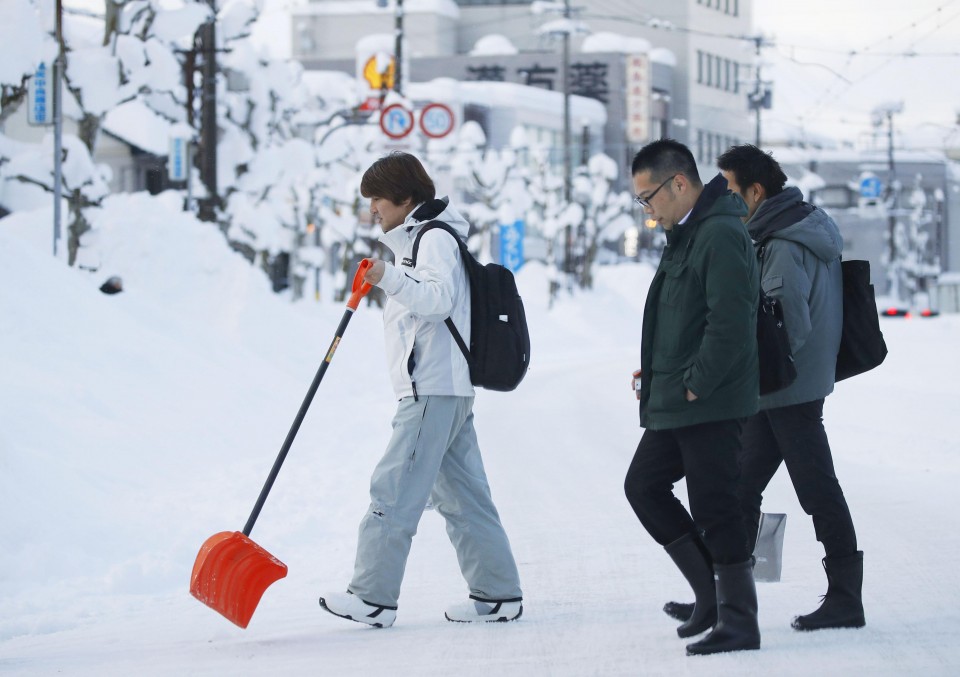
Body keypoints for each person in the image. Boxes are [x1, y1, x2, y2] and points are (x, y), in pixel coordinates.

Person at [318, 151, 523, 628]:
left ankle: (371, 596)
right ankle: (498, 595)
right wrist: (390, 272)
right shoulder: (423, 237)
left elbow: (436, 299)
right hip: (442, 388)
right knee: (464, 498)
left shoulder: (433, 238)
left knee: (393, 489)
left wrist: (387, 276)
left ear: (405, 198)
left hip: (431, 389)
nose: (374, 211)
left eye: (378, 202)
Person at [716, 144, 865, 631]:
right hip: (787, 385)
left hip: (789, 387)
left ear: (756, 192)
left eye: (731, 191)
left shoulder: (780, 243)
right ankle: (732, 595)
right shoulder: (800, 226)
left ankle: (845, 598)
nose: (725, 200)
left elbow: (786, 327)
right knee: (741, 486)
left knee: (815, 489)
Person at [623, 139, 761, 656]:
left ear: (679, 182)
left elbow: (730, 323)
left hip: (711, 398)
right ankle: (710, 598)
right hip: (680, 394)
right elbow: (684, 316)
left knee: (715, 505)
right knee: (644, 487)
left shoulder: (721, 233)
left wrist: (696, 381)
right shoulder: (688, 234)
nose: (647, 208)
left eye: (648, 196)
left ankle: (740, 622)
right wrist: (659, 371)